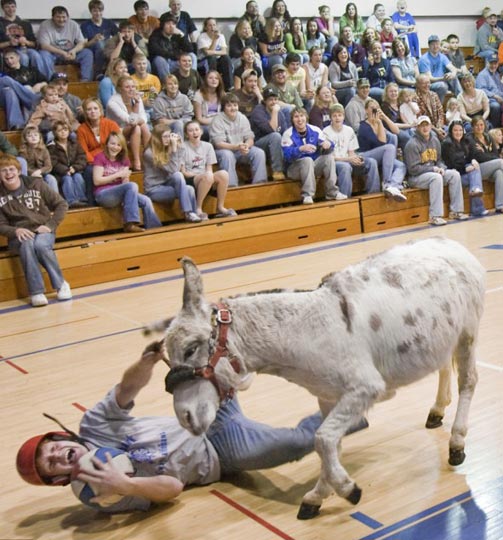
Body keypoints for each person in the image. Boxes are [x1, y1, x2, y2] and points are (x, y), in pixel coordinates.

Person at [15, 342, 332, 513]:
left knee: (193, 348)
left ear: (60, 436)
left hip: (201, 418)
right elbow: (172, 490)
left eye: (52, 447)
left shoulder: (94, 426)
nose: (58, 455)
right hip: (219, 452)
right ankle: (349, 411)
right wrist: (125, 486)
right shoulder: (99, 494)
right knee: (297, 444)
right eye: (51, 463)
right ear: (56, 478)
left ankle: (230, 379)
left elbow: (127, 389)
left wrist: (146, 362)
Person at [0, 154, 71, 306]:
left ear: (19, 171)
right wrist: (15, 231)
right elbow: (0, 224)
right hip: (18, 236)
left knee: (39, 245)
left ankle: (61, 285)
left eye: (11, 169)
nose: (8, 173)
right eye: (3, 171)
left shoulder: (36, 183)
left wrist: (50, 225)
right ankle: (37, 292)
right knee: (27, 244)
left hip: (42, 229)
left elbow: (61, 204)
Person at [404, 115, 468, 226]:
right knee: (436, 177)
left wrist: (442, 168)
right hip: (416, 178)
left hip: (433, 173)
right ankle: (435, 216)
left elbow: (439, 160)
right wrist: (433, 169)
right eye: (422, 126)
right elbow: (413, 169)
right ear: (417, 128)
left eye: (427, 125)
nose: (425, 128)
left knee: (454, 174)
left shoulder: (435, 140)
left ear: (430, 126)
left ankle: (456, 211)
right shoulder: (412, 144)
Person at [93, 131, 162, 233]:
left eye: (118, 145)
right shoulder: (100, 157)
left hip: (120, 193)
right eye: (112, 144)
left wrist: (125, 178)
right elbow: (97, 181)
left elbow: (126, 186)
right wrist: (118, 175)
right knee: (132, 186)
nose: (115, 147)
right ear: (107, 144)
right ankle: (130, 223)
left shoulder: (124, 159)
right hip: (103, 195)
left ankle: (155, 229)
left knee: (146, 200)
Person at [281, 107, 346, 205]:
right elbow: (286, 155)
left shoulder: (315, 130)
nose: (299, 119)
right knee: (307, 160)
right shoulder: (288, 134)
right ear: (292, 120)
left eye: (302, 116)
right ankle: (308, 195)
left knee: (328, 158)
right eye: (296, 117)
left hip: (313, 165)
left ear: (306, 117)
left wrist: (327, 144)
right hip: (293, 168)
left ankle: (332, 192)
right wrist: (300, 149)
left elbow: (329, 144)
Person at [142, 124, 200, 222]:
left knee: (188, 187)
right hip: (154, 189)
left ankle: (191, 215)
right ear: (156, 138)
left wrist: (179, 147)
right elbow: (172, 169)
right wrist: (173, 150)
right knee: (187, 189)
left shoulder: (166, 148)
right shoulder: (149, 153)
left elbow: (176, 170)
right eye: (165, 136)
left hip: (167, 183)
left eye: (169, 136)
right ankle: (188, 212)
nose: (168, 139)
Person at [322, 103, 380, 198]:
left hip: (348, 160)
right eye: (334, 116)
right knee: (345, 167)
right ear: (330, 118)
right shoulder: (325, 132)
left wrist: (354, 159)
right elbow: (330, 158)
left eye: (340, 115)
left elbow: (351, 152)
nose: (337, 118)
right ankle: (346, 198)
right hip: (335, 163)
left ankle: (373, 194)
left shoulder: (349, 130)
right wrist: (349, 159)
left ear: (343, 117)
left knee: (371, 162)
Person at [210, 92, 267, 187]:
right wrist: (236, 147)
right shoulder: (217, 120)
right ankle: (231, 187)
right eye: (229, 106)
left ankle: (260, 184)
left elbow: (250, 137)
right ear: (223, 108)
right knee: (227, 155)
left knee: (259, 153)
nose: (233, 108)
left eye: (235, 105)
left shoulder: (242, 117)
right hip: (222, 151)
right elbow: (218, 144)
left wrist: (246, 146)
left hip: (239, 150)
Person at [182, 120, 236, 219]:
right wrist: (199, 175)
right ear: (186, 134)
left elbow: (209, 169)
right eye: (191, 131)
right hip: (190, 178)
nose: (194, 133)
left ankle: (220, 207)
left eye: (197, 129)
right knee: (207, 176)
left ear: (201, 131)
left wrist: (207, 177)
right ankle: (198, 208)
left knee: (223, 174)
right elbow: (183, 172)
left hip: (206, 177)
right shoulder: (182, 147)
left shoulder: (208, 146)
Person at [357, 97, 407, 201]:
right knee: (389, 147)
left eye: (377, 108)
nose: (374, 110)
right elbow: (381, 142)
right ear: (366, 110)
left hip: (379, 155)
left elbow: (396, 131)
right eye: (372, 108)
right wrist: (379, 123)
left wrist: (384, 117)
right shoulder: (363, 126)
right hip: (364, 155)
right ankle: (387, 183)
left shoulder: (379, 123)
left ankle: (393, 186)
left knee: (401, 165)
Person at [77, 98, 120, 205]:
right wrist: (98, 164)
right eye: (89, 109)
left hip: (112, 159)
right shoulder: (81, 129)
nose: (93, 111)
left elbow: (120, 144)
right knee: (89, 171)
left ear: (101, 110)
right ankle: (92, 205)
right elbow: (83, 151)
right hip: (92, 162)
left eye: (95, 108)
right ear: (85, 113)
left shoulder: (111, 124)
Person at [441, 120, 488, 216]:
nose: (458, 133)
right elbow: (450, 165)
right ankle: (477, 208)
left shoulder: (466, 141)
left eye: (460, 130)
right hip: (456, 176)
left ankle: (475, 190)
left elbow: (471, 155)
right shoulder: (446, 144)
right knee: (474, 173)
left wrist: (473, 160)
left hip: (465, 174)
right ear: (451, 131)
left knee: (475, 168)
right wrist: (465, 169)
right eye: (455, 130)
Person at [37, 6, 93, 82]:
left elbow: (81, 42)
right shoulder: (45, 25)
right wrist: (62, 53)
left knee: (87, 53)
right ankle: (51, 81)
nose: (61, 20)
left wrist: (74, 51)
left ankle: (85, 80)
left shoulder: (73, 24)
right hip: (53, 54)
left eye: (64, 17)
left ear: (68, 17)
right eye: (58, 17)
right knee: (43, 54)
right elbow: (44, 46)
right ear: (52, 17)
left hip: (70, 52)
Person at [106, 75, 150, 171]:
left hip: (131, 128)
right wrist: (137, 106)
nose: (131, 89)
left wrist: (137, 104)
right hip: (116, 132)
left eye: (133, 87)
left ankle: (148, 158)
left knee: (144, 127)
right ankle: (136, 160)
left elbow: (144, 118)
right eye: (127, 87)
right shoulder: (112, 103)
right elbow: (129, 120)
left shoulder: (136, 98)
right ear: (120, 89)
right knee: (137, 127)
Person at [0, 0, 52, 79]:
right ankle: (24, 81)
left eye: (12, 6)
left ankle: (43, 80)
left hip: (25, 48)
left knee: (36, 56)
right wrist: (9, 43)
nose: (10, 9)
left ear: (15, 7)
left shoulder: (25, 23)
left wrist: (26, 42)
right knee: (23, 57)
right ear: (3, 8)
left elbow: (35, 44)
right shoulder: (1, 23)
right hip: (9, 50)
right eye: (7, 7)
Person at [0, 47, 44, 130]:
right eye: (6, 59)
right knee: (6, 83)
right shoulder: (7, 74)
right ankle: (32, 100)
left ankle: (17, 124)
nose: (9, 61)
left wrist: (40, 85)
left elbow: (46, 82)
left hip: (32, 93)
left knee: (17, 88)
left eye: (11, 58)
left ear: (18, 57)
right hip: (13, 98)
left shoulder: (31, 70)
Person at [249, 86, 287, 180]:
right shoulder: (258, 111)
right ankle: (277, 171)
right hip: (258, 144)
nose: (274, 102)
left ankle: (288, 170)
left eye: (276, 99)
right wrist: (274, 112)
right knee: (275, 136)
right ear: (265, 101)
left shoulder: (280, 113)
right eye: (270, 99)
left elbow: (285, 133)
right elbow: (272, 130)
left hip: (275, 146)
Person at [467, 115, 503, 213]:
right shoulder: (470, 139)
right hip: (477, 170)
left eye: (481, 125)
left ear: (485, 125)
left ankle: (500, 205)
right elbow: (478, 157)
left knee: (500, 173)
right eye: (477, 125)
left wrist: (484, 153)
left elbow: (495, 154)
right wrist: (487, 155)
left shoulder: (488, 136)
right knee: (501, 162)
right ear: (472, 127)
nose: (479, 127)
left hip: (490, 168)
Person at [49, 120, 88, 209]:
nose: (63, 132)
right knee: (67, 178)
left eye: (65, 130)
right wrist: (65, 170)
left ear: (69, 131)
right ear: (55, 133)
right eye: (60, 130)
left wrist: (75, 168)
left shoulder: (75, 143)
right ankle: (71, 201)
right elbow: (53, 162)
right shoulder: (52, 146)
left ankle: (82, 199)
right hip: (60, 173)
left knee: (78, 176)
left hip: (75, 170)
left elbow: (82, 157)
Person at [148, 13, 194, 83]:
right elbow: (156, 51)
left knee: (192, 56)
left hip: (176, 61)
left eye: (173, 24)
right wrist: (175, 56)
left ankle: (191, 81)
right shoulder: (155, 35)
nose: (171, 26)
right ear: (162, 25)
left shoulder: (178, 35)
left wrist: (182, 35)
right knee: (159, 59)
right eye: (168, 23)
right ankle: (167, 84)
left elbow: (190, 49)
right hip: (163, 63)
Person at [80, 0, 119, 78]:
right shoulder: (85, 25)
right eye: (95, 11)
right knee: (99, 44)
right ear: (90, 11)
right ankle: (98, 73)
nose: (98, 13)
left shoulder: (109, 23)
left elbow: (118, 36)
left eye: (100, 11)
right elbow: (84, 45)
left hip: (107, 47)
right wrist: (94, 39)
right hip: (92, 48)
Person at [418, 34, 460, 104]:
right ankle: (438, 108)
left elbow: (453, 69)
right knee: (442, 86)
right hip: (430, 84)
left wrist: (452, 74)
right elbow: (429, 79)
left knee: (454, 77)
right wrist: (443, 78)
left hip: (442, 80)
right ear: (429, 46)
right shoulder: (424, 59)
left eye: (437, 44)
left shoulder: (442, 57)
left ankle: (461, 102)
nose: (435, 46)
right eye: (433, 44)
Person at [18, 124, 58, 193]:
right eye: (30, 136)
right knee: (36, 180)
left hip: (42, 173)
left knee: (51, 179)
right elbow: (24, 167)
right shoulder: (23, 151)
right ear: (25, 139)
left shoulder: (44, 150)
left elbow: (48, 166)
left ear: (40, 137)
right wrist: (33, 173)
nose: (33, 137)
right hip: (29, 175)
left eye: (36, 135)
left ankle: (55, 200)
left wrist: (40, 171)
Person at [197, 18, 233, 91]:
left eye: (214, 25)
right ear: (206, 27)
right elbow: (207, 53)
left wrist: (212, 52)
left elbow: (224, 52)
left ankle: (229, 87)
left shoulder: (221, 36)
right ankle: (212, 84)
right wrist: (214, 40)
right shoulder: (202, 37)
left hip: (218, 59)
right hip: (204, 61)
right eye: (210, 25)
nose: (212, 27)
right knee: (212, 57)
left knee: (226, 58)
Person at [381, 82, 415, 150]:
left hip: (405, 127)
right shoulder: (385, 106)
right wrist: (409, 125)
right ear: (386, 93)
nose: (393, 93)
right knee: (407, 138)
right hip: (392, 130)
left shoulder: (402, 103)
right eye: (391, 91)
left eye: (395, 91)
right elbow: (392, 124)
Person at [192, 70, 225, 140]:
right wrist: (216, 122)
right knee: (212, 130)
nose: (214, 80)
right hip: (204, 124)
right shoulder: (198, 95)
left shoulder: (222, 94)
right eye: (210, 78)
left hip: (219, 122)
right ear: (206, 80)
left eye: (216, 78)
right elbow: (199, 119)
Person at [415, 74, 446, 141]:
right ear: (418, 85)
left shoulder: (434, 95)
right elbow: (420, 118)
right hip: (424, 127)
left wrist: (439, 127)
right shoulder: (414, 97)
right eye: (424, 83)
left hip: (437, 126)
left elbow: (441, 113)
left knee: (451, 130)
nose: (427, 85)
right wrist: (436, 130)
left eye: (428, 82)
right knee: (434, 135)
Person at [475, 53, 503, 129]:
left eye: (495, 63)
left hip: (499, 98)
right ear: (487, 62)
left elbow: (500, 88)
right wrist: (495, 96)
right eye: (491, 63)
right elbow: (481, 90)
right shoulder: (482, 75)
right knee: (495, 106)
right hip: (488, 100)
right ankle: (495, 129)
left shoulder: (496, 74)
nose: (493, 66)